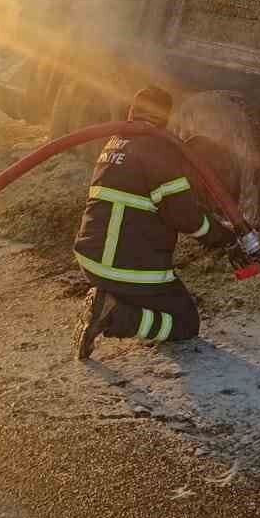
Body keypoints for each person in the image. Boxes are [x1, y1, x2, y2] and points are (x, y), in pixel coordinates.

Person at [73, 86, 236, 360]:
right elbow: (184, 216)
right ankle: (115, 314)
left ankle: (112, 300)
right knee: (185, 322)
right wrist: (224, 237)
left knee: (158, 302)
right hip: (125, 267)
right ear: (165, 119)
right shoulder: (158, 149)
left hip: (91, 258)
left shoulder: (114, 142)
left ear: (131, 112)